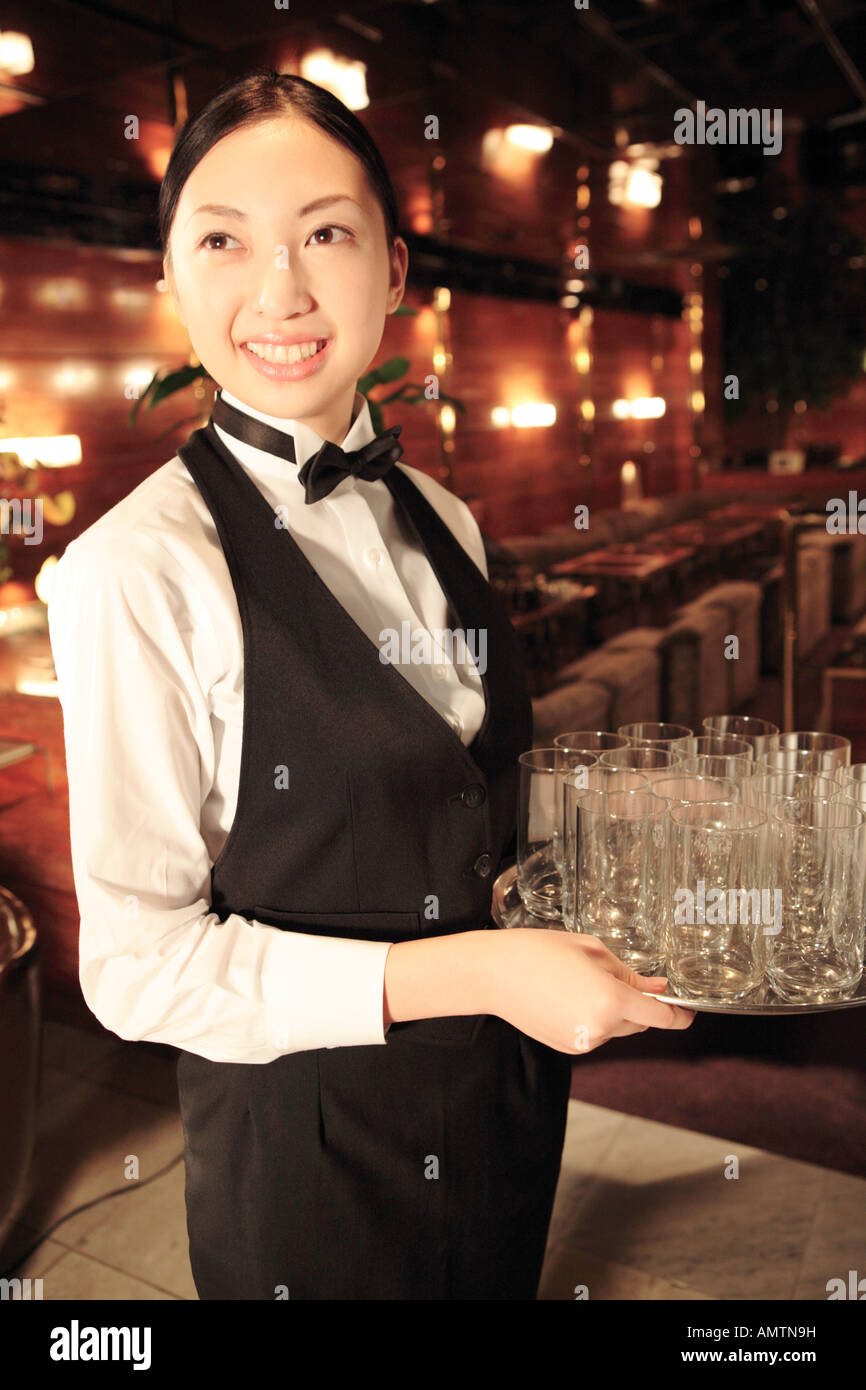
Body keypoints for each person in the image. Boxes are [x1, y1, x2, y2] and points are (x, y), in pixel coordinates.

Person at [48, 67, 694, 1302]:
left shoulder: (439, 509)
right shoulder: (134, 569)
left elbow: (455, 793)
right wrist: (478, 973)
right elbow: (138, 968)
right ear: (170, 278)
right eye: (224, 241)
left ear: (393, 272)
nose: (279, 290)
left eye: (325, 234)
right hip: (313, 1156)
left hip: (503, 1099)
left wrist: (629, 829)